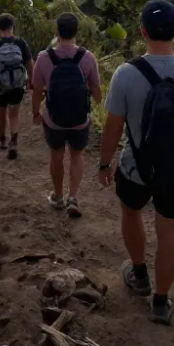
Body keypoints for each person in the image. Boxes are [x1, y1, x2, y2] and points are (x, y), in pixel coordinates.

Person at [98, 0, 174, 326]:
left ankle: (138, 274)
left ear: (142, 31)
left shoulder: (126, 73)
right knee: (169, 233)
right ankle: (160, 303)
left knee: (131, 212)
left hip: (136, 167)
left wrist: (105, 165)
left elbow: (113, 127)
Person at [32, 12, 101, 218]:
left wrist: (36, 113)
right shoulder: (88, 57)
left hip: (54, 119)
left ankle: (58, 196)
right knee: (77, 154)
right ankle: (74, 197)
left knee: (56, 154)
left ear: (56, 31)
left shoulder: (44, 58)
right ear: (77, 32)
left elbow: (36, 90)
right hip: (80, 120)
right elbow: (97, 95)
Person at [0, 13, 33, 160]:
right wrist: (31, 82)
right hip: (17, 85)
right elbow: (29, 63)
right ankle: (14, 142)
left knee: (1, 111)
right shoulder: (21, 43)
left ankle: (3, 140)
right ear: (12, 26)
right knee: (14, 113)